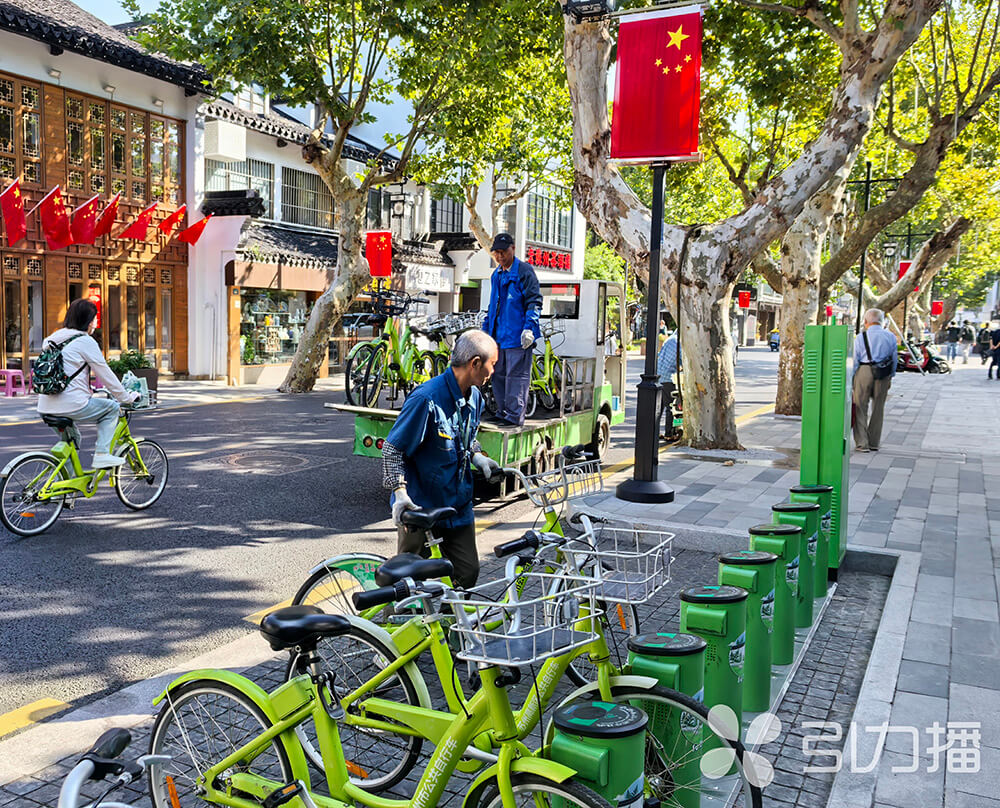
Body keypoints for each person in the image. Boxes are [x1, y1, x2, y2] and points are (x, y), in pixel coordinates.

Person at [381, 330, 500, 588]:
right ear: (475, 363)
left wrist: (478, 456)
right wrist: (400, 494)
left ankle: (447, 615)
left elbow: (466, 438)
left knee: (466, 573)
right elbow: (392, 449)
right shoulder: (426, 399)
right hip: (421, 508)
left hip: (457, 507)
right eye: (492, 364)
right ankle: (390, 616)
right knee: (408, 586)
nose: (493, 371)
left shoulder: (475, 397)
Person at [37, 299, 139, 468]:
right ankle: (102, 454)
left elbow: (64, 371)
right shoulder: (85, 341)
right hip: (71, 405)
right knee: (111, 408)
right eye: (95, 318)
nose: (96, 322)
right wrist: (126, 397)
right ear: (89, 321)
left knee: (72, 441)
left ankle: (63, 483)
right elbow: (105, 374)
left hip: (45, 406)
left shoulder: (53, 339)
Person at [483, 233, 542, 427]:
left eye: (503, 252)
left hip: (518, 337)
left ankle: (514, 416)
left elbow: (534, 301)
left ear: (513, 249)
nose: (500, 256)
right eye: (496, 253)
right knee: (498, 375)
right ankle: (502, 412)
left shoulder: (524, 271)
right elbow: (493, 306)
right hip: (498, 337)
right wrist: (486, 331)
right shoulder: (497, 274)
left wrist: (529, 328)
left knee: (516, 378)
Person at [852, 308, 897, 453]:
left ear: (866, 322)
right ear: (882, 321)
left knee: (860, 406)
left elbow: (855, 359)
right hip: (883, 372)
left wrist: (852, 378)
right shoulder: (890, 336)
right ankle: (874, 442)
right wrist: (891, 376)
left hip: (864, 370)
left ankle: (862, 443)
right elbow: (894, 358)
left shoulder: (861, 337)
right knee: (878, 407)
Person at [656, 330, 681, 440]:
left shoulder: (669, 340)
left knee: (659, 408)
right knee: (671, 406)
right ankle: (669, 433)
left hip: (659, 376)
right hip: (668, 377)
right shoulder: (678, 342)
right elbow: (683, 359)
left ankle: (654, 432)